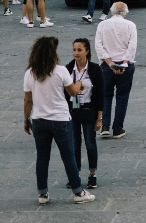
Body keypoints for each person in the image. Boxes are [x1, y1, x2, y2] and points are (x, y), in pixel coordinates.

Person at [22, 36, 95, 205]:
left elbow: (28, 100)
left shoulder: (30, 73)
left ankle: (42, 193)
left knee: (42, 157)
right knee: (68, 156)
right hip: (60, 120)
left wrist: (26, 120)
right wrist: (79, 85)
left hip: (39, 119)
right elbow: (73, 92)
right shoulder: (60, 71)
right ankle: (78, 192)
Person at [95, 2, 137, 138]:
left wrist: (110, 62)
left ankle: (105, 125)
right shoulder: (131, 25)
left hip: (106, 66)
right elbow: (132, 46)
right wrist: (124, 62)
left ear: (112, 11)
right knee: (122, 96)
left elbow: (98, 45)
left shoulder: (102, 25)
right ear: (125, 12)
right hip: (125, 66)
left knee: (106, 95)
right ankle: (117, 128)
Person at [66, 38, 103, 190]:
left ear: (87, 51)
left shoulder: (94, 69)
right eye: (74, 50)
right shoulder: (69, 68)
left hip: (89, 110)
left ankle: (92, 174)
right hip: (73, 110)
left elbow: (100, 95)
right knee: (74, 145)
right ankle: (75, 175)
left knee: (90, 143)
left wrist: (99, 118)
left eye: (79, 50)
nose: (76, 53)